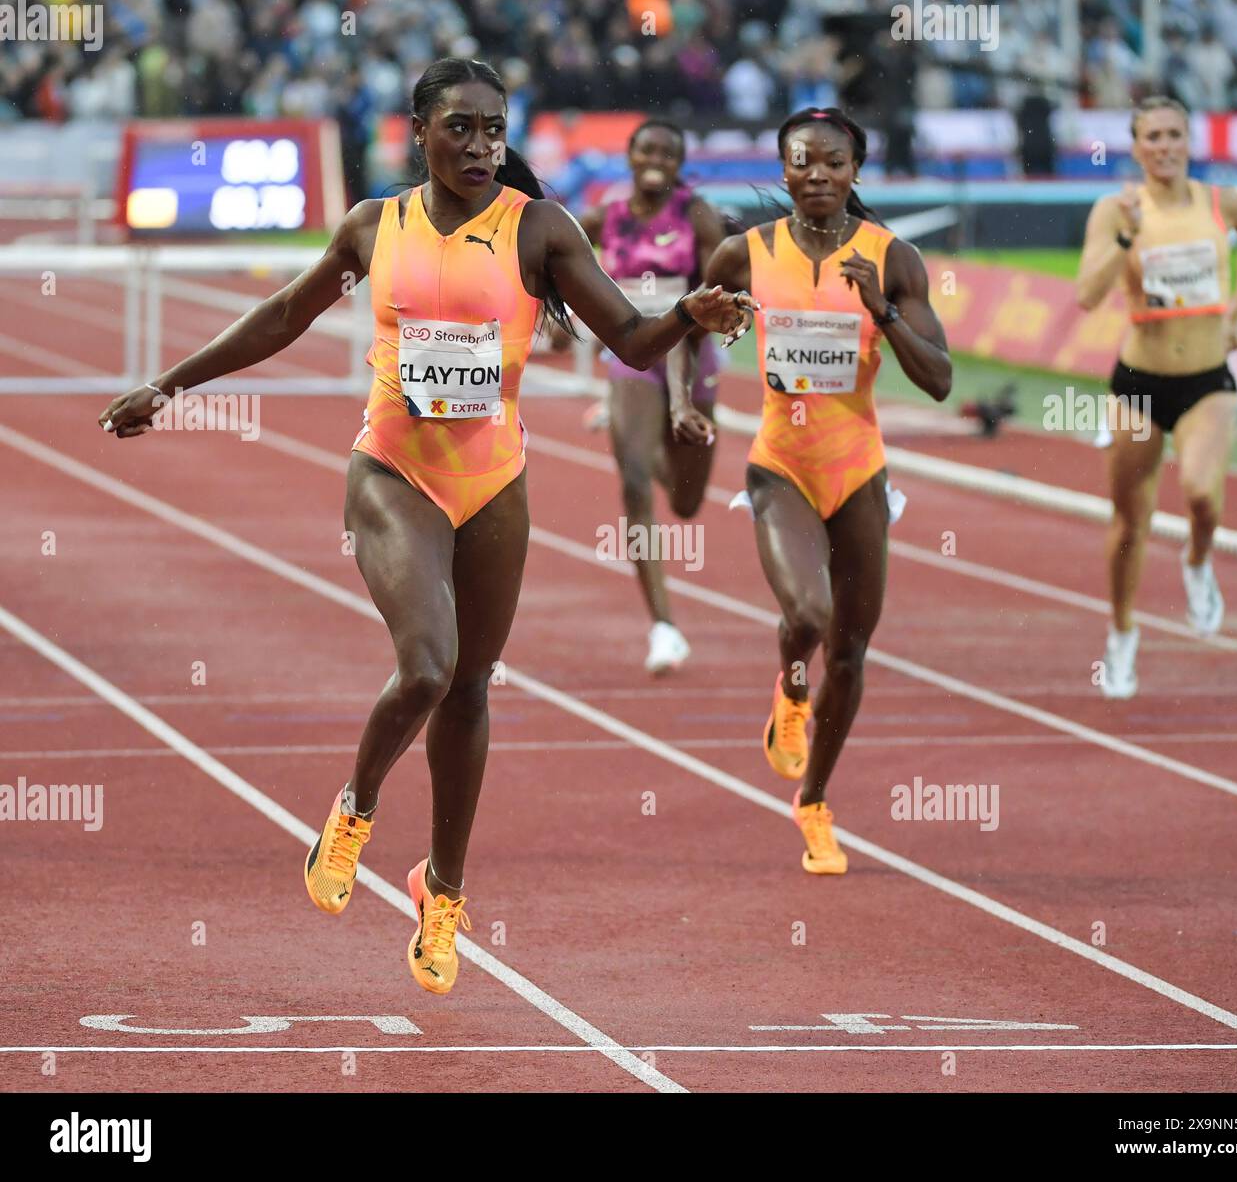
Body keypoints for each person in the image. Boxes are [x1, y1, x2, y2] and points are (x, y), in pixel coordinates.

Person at [98, 57, 754, 993]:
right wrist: (170, 382)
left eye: (495, 129)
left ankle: (441, 889)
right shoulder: (377, 225)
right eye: (462, 129)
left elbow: (631, 341)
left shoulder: (541, 231)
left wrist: (687, 312)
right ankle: (356, 807)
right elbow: (287, 311)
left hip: (495, 482)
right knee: (428, 665)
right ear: (421, 132)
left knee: (472, 688)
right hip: (393, 471)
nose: (483, 146)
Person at [701, 107, 951, 875]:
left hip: (858, 468)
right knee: (809, 613)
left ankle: (813, 801)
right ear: (782, 169)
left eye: (833, 163)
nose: (817, 175)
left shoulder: (894, 259)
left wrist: (881, 311)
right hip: (780, 461)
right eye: (802, 161)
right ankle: (789, 686)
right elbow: (689, 326)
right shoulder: (743, 253)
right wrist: (689, 398)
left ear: (855, 170)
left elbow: (939, 379)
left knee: (851, 647)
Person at [1076, 95, 1237, 699]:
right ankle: (1123, 633)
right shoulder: (1115, 210)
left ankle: (1196, 561)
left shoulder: (1222, 202)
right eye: (1151, 136)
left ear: (1190, 141)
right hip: (1138, 383)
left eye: (1174, 134)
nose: (1163, 146)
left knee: (1202, 496)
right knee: (1131, 521)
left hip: (1208, 378)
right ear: (1134, 147)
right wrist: (1128, 235)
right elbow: (1086, 293)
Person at [569, 119, 729, 673]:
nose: (656, 157)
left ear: (681, 162)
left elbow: (711, 308)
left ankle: (638, 425)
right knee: (634, 480)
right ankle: (663, 626)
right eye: (646, 149)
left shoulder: (697, 217)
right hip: (631, 358)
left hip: (694, 353)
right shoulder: (603, 217)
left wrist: (681, 396)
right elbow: (555, 259)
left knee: (685, 504)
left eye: (668, 150)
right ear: (630, 157)